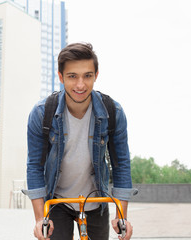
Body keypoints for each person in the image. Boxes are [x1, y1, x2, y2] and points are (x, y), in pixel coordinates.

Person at [23, 43, 137, 240]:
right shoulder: (42, 113)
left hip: (97, 200)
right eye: (72, 76)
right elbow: (34, 166)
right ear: (61, 77)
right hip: (58, 201)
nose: (80, 85)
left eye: (87, 76)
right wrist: (40, 219)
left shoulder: (113, 112)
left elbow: (121, 165)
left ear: (96, 75)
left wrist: (121, 218)